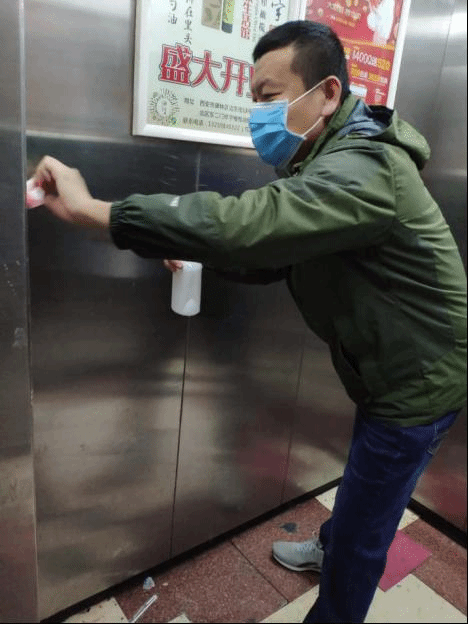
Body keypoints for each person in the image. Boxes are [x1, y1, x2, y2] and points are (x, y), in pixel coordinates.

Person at [31, 20, 466, 624]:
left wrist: (98, 213)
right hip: (389, 366)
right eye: (253, 98)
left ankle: (339, 572)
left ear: (328, 94)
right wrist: (197, 251)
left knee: (365, 534)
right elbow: (277, 254)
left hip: (420, 380)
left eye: (269, 97)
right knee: (368, 483)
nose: (257, 114)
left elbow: (254, 223)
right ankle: (333, 542)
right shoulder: (326, 161)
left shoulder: (365, 167)